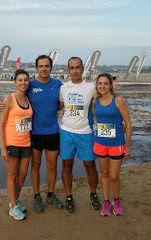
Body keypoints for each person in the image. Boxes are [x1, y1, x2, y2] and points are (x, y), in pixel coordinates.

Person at [59, 57, 101, 213]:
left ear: (82, 69)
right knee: (66, 166)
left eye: (77, 67)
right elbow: (57, 105)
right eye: (71, 68)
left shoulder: (91, 87)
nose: (75, 71)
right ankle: (69, 197)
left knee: (90, 165)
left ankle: (93, 194)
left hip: (85, 132)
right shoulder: (63, 88)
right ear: (67, 69)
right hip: (66, 132)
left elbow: (105, 97)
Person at [27, 55, 64, 212]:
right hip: (35, 133)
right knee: (35, 166)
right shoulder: (30, 85)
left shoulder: (58, 84)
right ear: (37, 68)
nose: (44, 68)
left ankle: (50, 194)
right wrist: (5, 102)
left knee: (52, 166)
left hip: (53, 132)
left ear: (51, 67)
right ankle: (36, 196)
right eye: (41, 66)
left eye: (47, 66)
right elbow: (17, 98)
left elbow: (61, 104)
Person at [92, 73, 132, 216]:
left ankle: (117, 200)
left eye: (105, 83)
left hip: (116, 144)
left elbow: (128, 123)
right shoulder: (94, 101)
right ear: (97, 85)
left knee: (114, 176)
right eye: (99, 83)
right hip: (100, 143)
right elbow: (93, 122)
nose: (102, 86)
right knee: (104, 173)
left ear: (110, 85)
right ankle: (107, 201)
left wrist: (127, 145)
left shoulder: (118, 101)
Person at [0, 69, 33, 221]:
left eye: (25, 80)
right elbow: (1, 125)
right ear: (14, 82)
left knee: (23, 174)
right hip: (12, 143)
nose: (23, 83)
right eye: (20, 80)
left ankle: (15, 201)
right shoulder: (8, 99)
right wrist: (3, 147)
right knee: (12, 175)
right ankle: (13, 207)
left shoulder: (27, 99)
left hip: (26, 143)